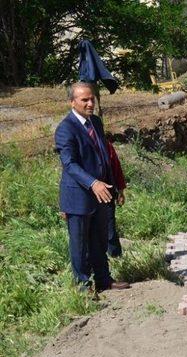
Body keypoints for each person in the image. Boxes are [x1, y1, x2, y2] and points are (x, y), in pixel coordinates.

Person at [54, 82, 130, 292]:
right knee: (80, 244)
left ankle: (104, 280)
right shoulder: (65, 129)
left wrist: (114, 185)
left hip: (102, 193)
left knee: (99, 240)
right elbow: (69, 164)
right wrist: (93, 182)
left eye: (92, 99)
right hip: (79, 196)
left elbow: (103, 155)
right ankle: (83, 286)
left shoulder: (95, 122)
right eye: (84, 100)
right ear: (72, 102)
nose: (90, 104)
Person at [105, 140, 126, 257]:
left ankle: (115, 256)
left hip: (107, 193)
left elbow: (116, 168)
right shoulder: (80, 143)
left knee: (109, 227)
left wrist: (121, 191)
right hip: (87, 196)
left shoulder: (106, 145)